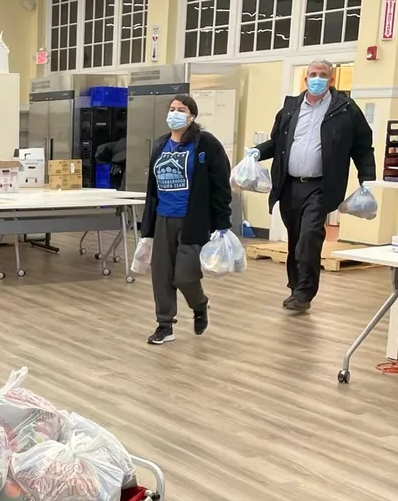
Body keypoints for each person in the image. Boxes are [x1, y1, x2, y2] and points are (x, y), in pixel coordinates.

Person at [250, 59, 376, 312]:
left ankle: (304, 293)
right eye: (313, 74)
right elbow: (277, 142)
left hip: (320, 186)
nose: (317, 78)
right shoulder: (291, 107)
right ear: (306, 79)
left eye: (323, 74)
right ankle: (296, 287)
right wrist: (257, 152)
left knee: (309, 237)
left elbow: (362, 147)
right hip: (289, 185)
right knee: (296, 238)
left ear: (331, 80)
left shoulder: (346, 110)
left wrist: (367, 178)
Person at [138, 94, 232, 345]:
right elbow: (152, 188)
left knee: (185, 276)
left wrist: (222, 221)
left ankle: (199, 305)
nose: (175, 113)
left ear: (192, 116)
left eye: (181, 110)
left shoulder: (205, 144)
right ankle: (165, 325)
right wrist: (147, 227)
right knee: (161, 275)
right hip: (163, 218)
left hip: (193, 220)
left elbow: (221, 183)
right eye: (172, 109)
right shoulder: (161, 144)